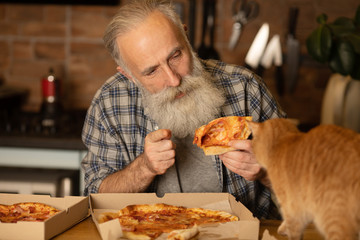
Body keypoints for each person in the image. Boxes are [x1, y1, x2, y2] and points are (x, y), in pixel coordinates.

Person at [81, 0, 286, 219]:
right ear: (129, 75)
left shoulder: (246, 88)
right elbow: (95, 199)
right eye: (152, 71)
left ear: (186, 38)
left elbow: (307, 185)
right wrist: (144, 168)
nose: (173, 80)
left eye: (175, 56)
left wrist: (265, 171)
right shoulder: (109, 103)